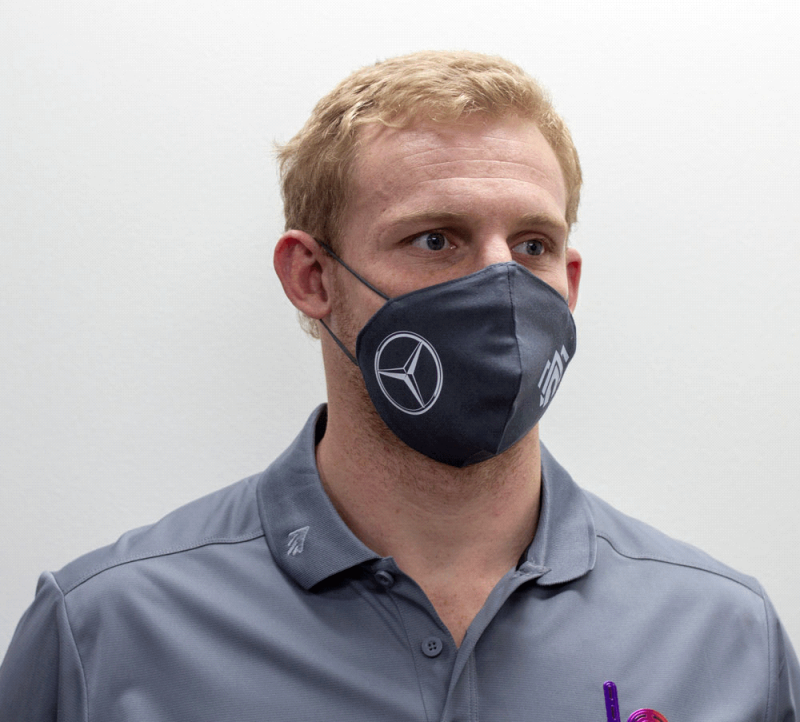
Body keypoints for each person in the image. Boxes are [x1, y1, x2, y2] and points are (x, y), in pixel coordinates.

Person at [1, 51, 797, 721]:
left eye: (533, 245)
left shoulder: (724, 637)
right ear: (312, 278)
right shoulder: (108, 632)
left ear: (571, 282)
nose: (500, 284)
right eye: (436, 239)